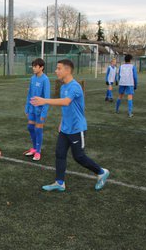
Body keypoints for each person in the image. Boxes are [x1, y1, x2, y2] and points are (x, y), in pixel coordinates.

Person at [30, 59, 110, 192]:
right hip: (65, 128)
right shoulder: (63, 87)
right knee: (59, 153)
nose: (56, 71)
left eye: (59, 68)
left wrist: (44, 100)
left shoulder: (75, 86)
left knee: (79, 157)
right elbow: (65, 107)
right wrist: (62, 122)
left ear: (67, 70)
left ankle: (101, 172)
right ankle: (59, 182)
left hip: (77, 129)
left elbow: (66, 102)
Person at [23, 58, 50, 161]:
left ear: (41, 67)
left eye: (36, 66)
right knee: (30, 127)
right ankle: (34, 148)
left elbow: (47, 98)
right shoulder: (32, 78)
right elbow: (29, 94)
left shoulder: (45, 79)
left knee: (38, 129)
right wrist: (27, 108)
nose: (33, 68)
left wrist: (44, 113)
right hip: (32, 109)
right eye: (33, 66)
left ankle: (38, 152)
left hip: (40, 110)